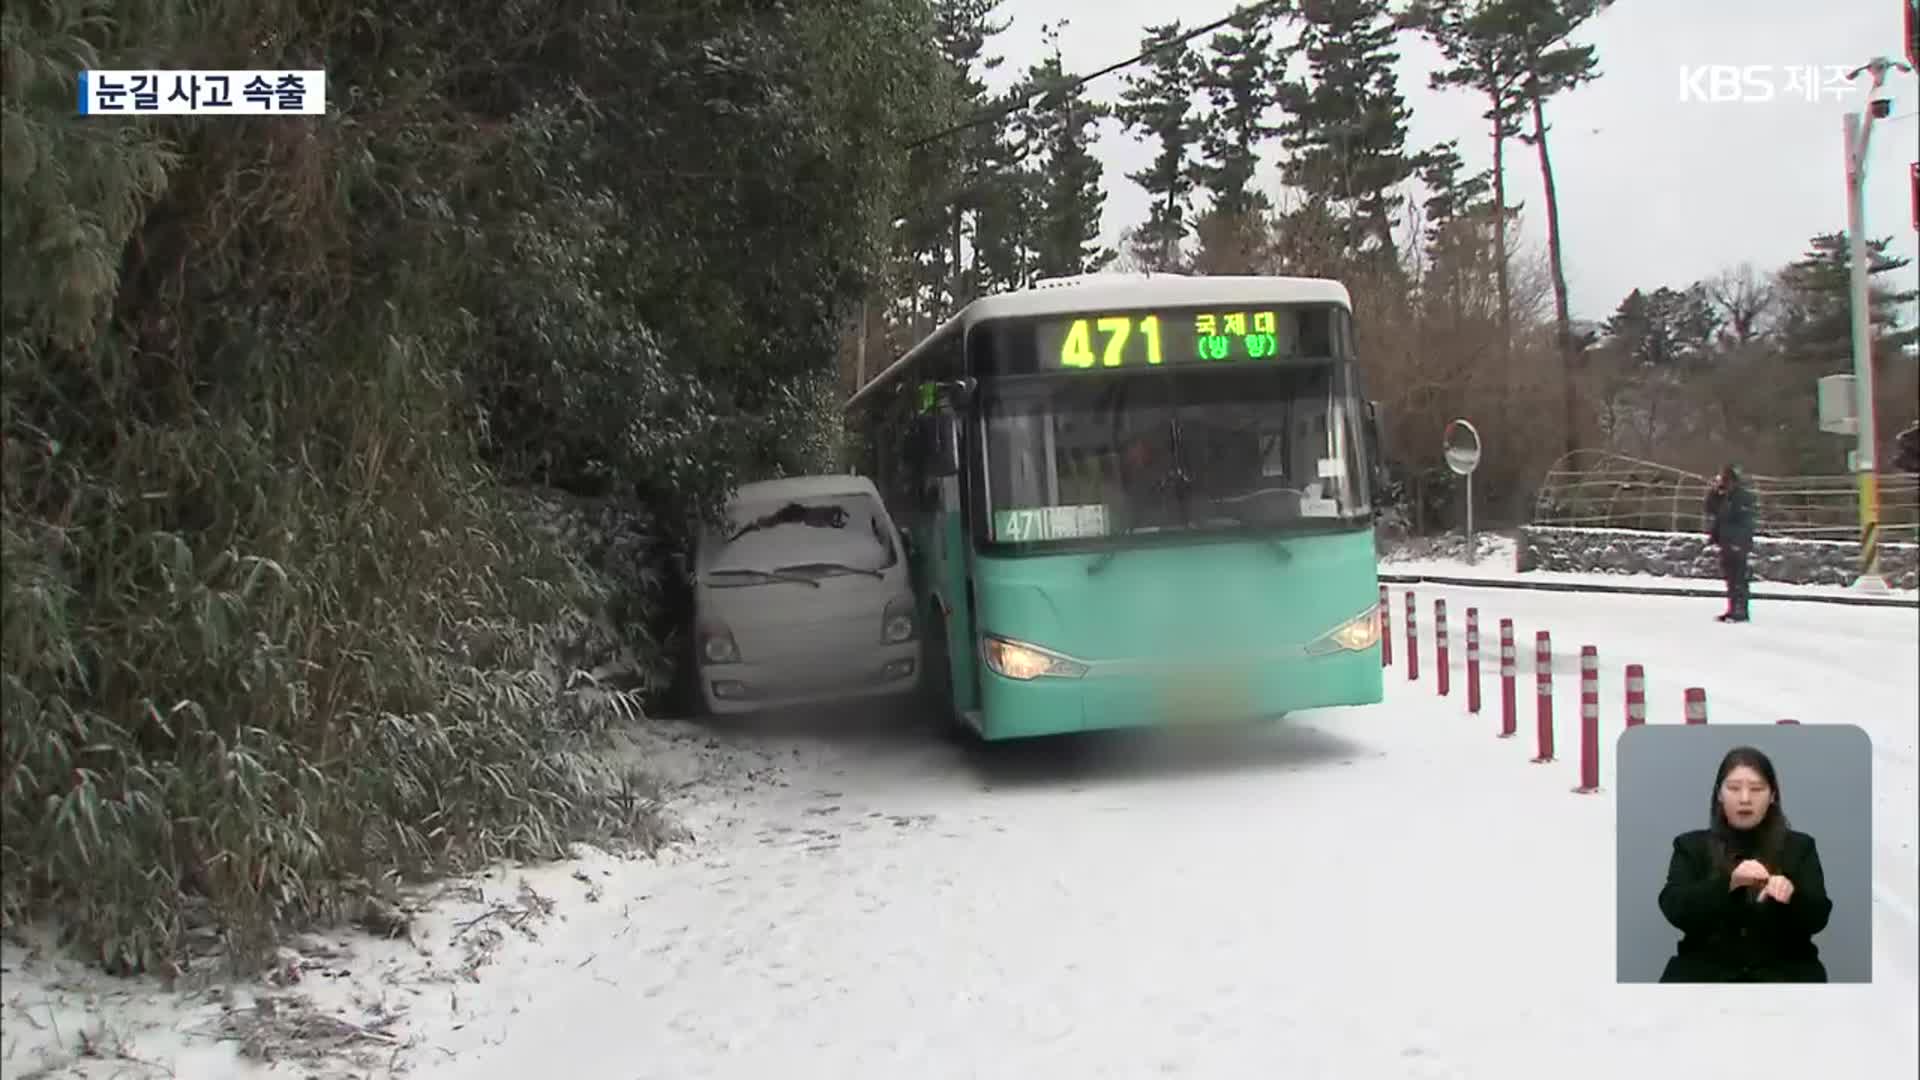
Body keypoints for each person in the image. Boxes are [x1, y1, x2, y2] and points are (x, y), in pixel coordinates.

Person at [1656, 745, 1832, 982]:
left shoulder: (1800, 847)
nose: (1745, 799)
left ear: (1772, 796)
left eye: (1757, 789)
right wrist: (1728, 884)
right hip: (1703, 977)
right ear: (1719, 794)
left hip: (1785, 976)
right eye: (1734, 788)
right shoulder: (1690, 846)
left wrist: (1791, 896)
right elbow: (1674, 908)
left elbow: (1818, 917)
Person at [1702, 463, 1756, 622]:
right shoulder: (1724, 496)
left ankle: (1740, 611)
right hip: (1726, 541)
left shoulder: (1743, 497)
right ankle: (1733, 608)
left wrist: (1738, 542)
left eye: (1726, 479)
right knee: (1731, 579)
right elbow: (1709, 508)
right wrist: (1714, 492)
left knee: (1739, 578)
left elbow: (1744, 521)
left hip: (1737, 542)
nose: (1724, 482)